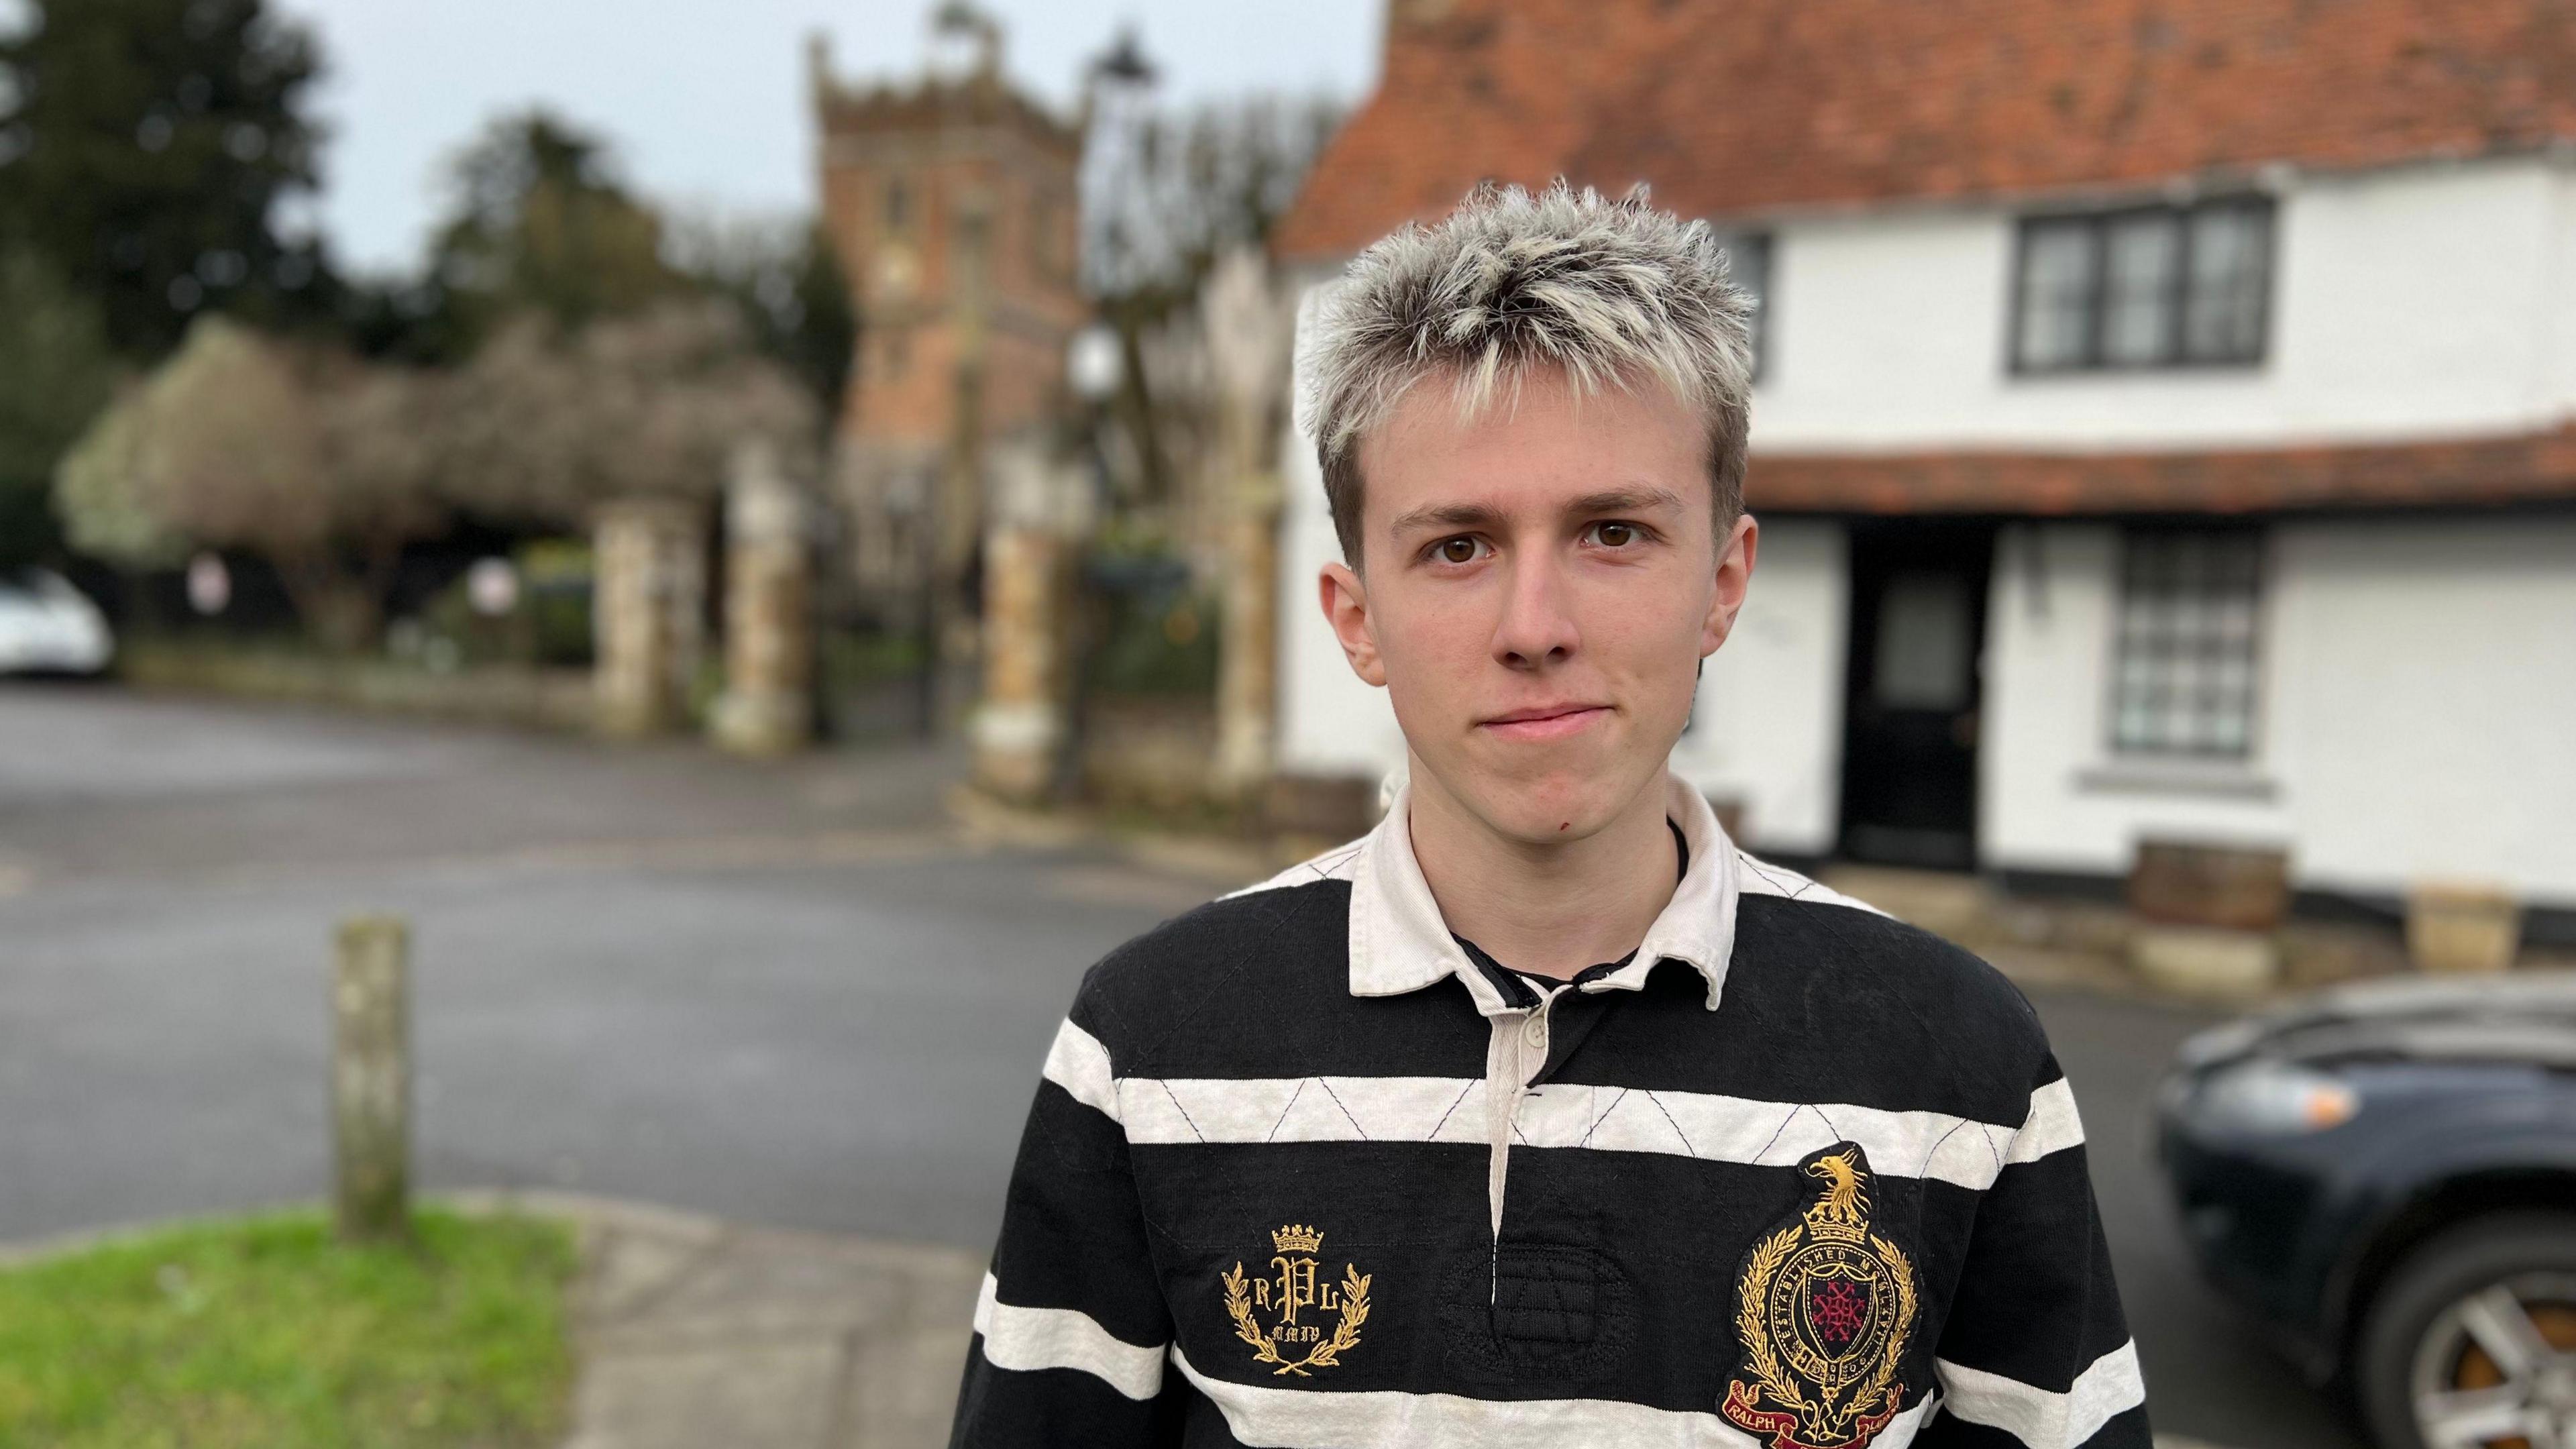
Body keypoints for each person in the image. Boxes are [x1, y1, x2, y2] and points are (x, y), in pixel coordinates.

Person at [949, 182, 2149, 1449]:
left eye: (1614, 533)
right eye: (1458, 547)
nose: (1536, 629)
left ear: (1723, 584)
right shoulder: (1148, 1047)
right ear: (1358, 620)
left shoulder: (1963, 1063)